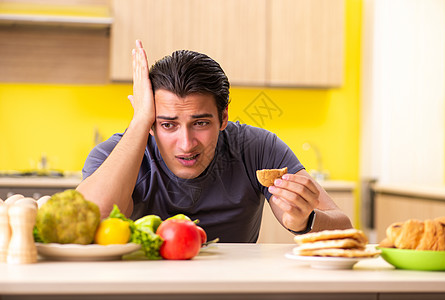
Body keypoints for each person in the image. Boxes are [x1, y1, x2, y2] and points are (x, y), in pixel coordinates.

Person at [77, 40, 352, 243]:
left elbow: (343, 226)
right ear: (150, 122)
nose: (186, 144)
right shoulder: (114, 155)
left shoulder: (256, 147)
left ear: (223, 118)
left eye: (200, 123)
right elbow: (87, 223)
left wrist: (307, 220)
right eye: (167, 124)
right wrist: (139, 121)